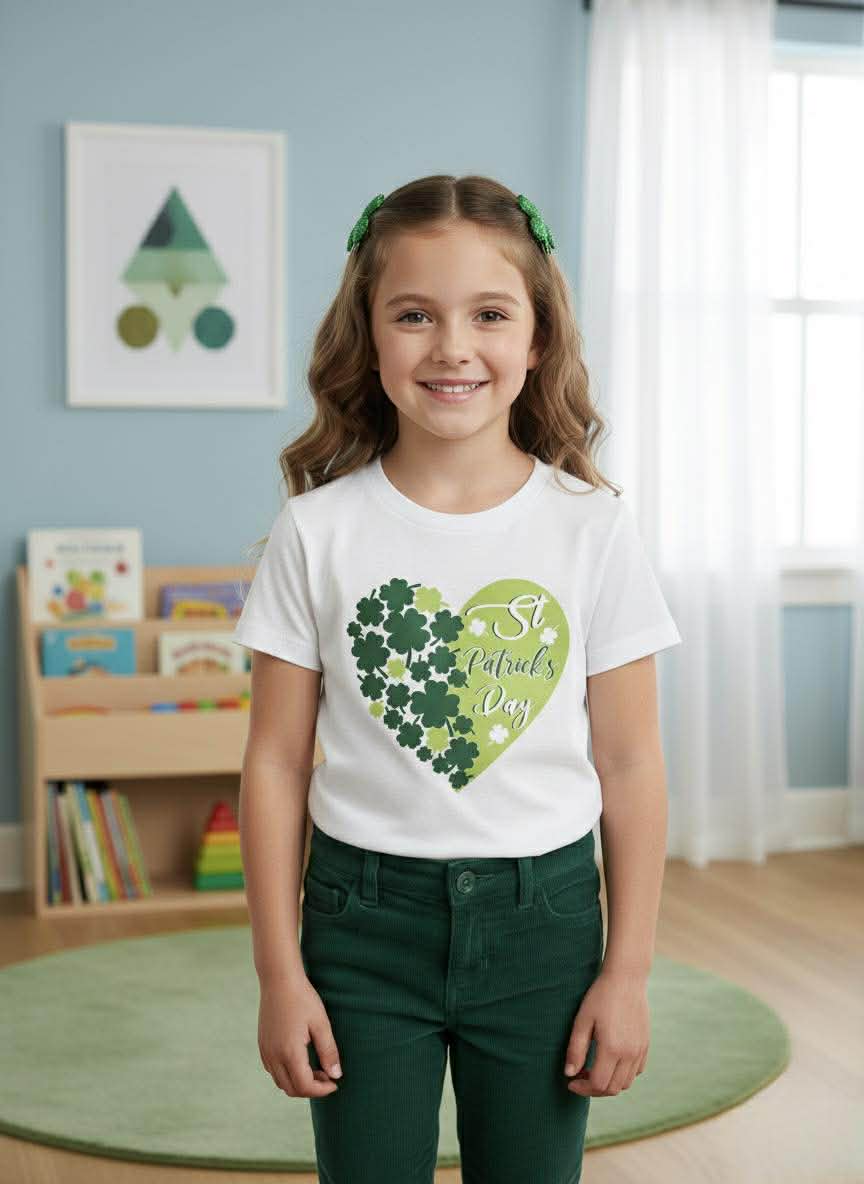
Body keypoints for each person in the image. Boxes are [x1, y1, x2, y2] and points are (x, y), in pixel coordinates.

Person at [232, 174, 682, 1184]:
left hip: (548, 927)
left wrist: (629, 967)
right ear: (369, 334)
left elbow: (631, 759)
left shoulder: (592, 526)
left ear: (536, 337)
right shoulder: (317, 531)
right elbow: (272, 762)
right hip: (359, 925)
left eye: (489, 313)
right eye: (413, 314)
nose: (451, 346)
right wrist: (278, 971)